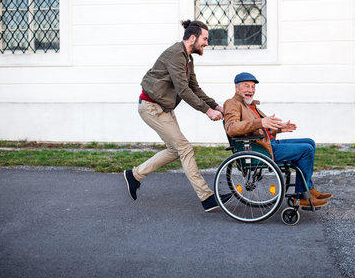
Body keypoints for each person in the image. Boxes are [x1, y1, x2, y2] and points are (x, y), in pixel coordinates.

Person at [124, 19, 225, 212]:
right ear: (193, 37)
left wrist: (216, 106)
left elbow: (195, 88)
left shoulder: (188, 58)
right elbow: (184, 90)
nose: (207, 43)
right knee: (185, 148)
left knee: (175, 150)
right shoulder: (175, 55)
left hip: (163, 108)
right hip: (151, 107)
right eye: (205, 39)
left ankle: (134, 175)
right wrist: (207, 111)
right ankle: (207, 198)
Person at [223, 72, 332, 208]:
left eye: (253, 87)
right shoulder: (232, 103)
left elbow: (261, 128)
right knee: (306, 150)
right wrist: (260, 122)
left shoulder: (250, 105)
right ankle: (303, 194)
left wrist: (280, 129)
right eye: (247, 86)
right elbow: (232, 128)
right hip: (259, 149)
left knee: (310, 142)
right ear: (236, 87)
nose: (251, 90)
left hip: (268, 142)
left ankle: (308, 188)